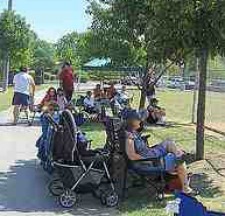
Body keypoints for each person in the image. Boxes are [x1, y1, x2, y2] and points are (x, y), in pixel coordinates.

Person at [125, 111, 192, 194]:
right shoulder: (129, 138)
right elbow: (132, 156)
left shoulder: (132, 132)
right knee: (179, 161)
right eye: (138, 119)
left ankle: (179, 157)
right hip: (150, 161)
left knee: (169, 143)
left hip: (149, 155)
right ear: (132, 121)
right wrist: (148, 158)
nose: (140, 121)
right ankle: (185, 187)